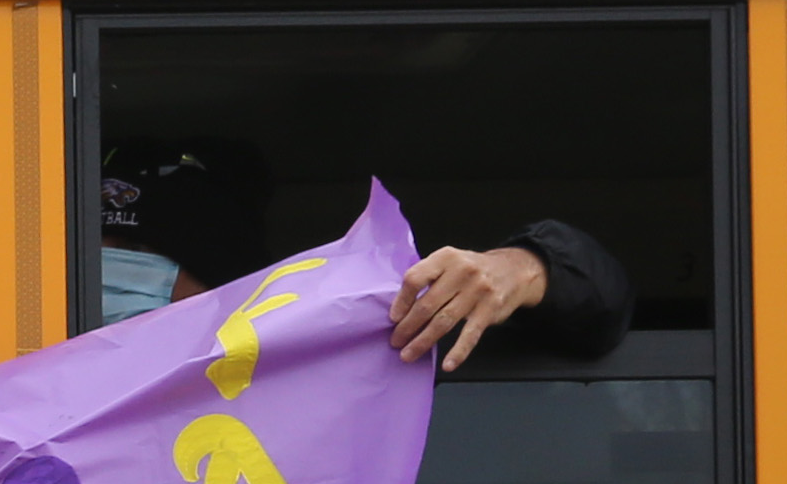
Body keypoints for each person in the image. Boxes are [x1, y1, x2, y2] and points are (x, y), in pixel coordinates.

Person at [100, 140, 633, 369]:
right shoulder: (39, 365)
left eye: (137, 250)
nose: (108, 272)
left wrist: (521, 268)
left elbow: (604, 310)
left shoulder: (331, 351)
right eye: (99, 248)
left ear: (224, 280)